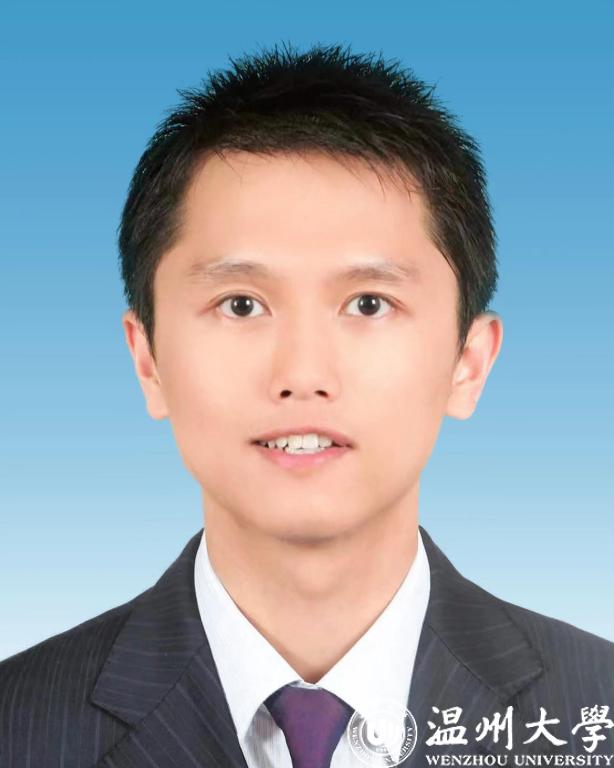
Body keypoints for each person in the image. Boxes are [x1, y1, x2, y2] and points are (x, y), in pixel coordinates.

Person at [0, 41, 612, 768]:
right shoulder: (17, 724)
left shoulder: (593, 710)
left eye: (368, 303)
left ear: (469, 362)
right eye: (241, 304)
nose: (302, 375)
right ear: (148, 359)